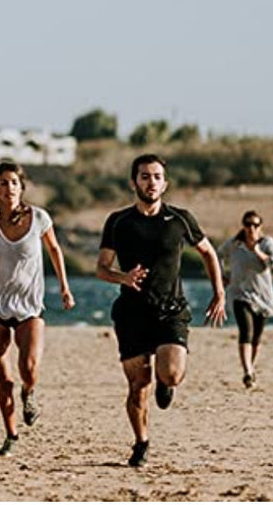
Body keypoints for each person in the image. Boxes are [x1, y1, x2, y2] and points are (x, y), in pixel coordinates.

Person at [95, 153, 226, 468]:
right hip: (131, 313)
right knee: (138, 386)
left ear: (164, 183)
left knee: (170, 373)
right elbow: (101, 268)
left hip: (170, 310)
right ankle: (141, 443)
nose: (150, 182)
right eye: (144, 176)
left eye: (156, 176)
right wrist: (122, 277)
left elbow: (208, 253)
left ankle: (166, 384)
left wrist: (219, 291)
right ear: (133, 182)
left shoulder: (180, 219)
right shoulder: (118, 221)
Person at [0, 162, 75, 457]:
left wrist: (65, 287)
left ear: (21, 187)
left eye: (14, 182)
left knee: (28, 368)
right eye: (3, 182)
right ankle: (11, 435)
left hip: (29, 306)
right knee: (2, 380)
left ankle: (29, 392)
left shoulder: (39, 218)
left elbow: (55, 250)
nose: (8, 188)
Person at [218, 210, 273, 389]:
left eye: (255, 224)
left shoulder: (268, 243)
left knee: (256, 337)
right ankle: (247, 371)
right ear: (243, 226)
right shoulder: (234, 244)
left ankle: (251, 368)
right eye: (247, 224)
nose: (251, 228)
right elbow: (217, 255)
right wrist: (221, 276)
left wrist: (258, 252)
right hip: (240, 294)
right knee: (246, 330)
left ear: (261, 226)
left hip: (263, 296)